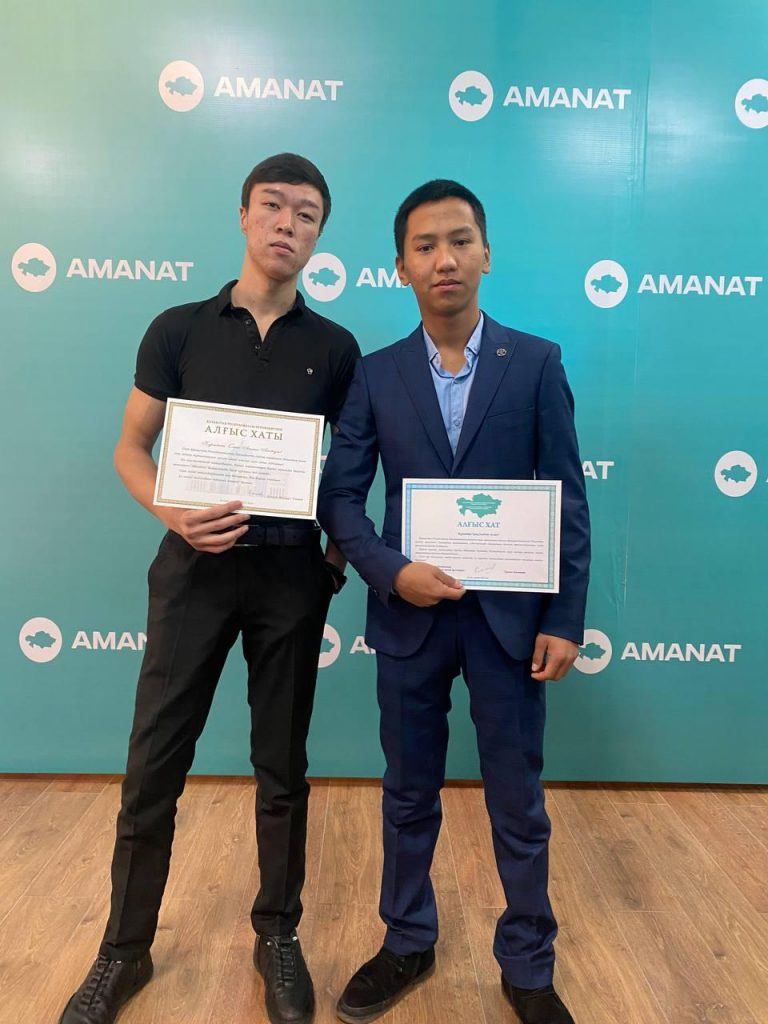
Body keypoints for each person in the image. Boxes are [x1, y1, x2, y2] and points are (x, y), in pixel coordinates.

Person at [59, 153, 359, 1024]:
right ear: (243, 215)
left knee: (282, 768)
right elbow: (131, 448)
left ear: (319, 235)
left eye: (306, 214)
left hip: (290, 580)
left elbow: (348, 473)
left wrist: (333, 563)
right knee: (154, 762)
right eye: (273, 206)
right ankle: (124, 949)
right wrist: (174, 513)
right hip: (192, 574)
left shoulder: (336, 349)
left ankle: (278, 935)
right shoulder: (179, 328)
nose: (287, 224)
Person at [317, 180, 590, 1024]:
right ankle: (407, 940)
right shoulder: (375, 374)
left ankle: (529, 964)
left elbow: (567, 497)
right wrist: (389, 570)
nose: (445, 258)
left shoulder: (536, 363)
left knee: (518, 800)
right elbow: (340, 498)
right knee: (408, 794)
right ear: (401, 267)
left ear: (486, 254)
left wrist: (564, 617)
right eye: (426, 245)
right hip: (411, 621)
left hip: (512, 625)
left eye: (460, 240)